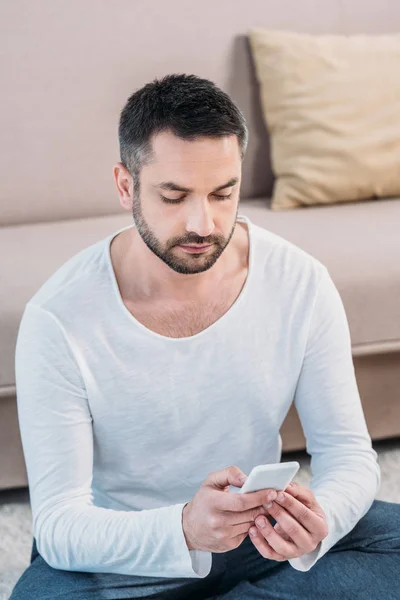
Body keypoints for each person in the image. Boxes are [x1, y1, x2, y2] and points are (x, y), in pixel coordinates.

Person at [10, 73, 400, 600]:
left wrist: (320, 517)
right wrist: (185, 529)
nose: (203, 223)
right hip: (130, 552)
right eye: (174, 196)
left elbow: (348, 455)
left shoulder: (300, 282)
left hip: (259, 538)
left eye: (223, 193)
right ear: (126, 185)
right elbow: (60, 525)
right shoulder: (58, 317)